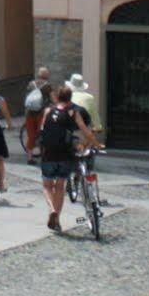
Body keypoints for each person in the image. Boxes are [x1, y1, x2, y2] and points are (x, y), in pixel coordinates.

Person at [38, 83, 102, 232]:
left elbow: (42, 131)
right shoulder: (73, 112)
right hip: (65, 154)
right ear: (70, 98)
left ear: (57, 97)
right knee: (59, 186)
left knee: (47, 186)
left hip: (49, 153)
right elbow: (85, 131)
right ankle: (57, 219)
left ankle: (52, 210)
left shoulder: (48, 111)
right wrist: (96, 144)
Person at [21, 66, 53, 159]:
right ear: (46, 75)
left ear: (38, 75)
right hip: (42, 114)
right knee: (42, 134)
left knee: (31, 135)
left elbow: (27, 97)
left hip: (30, 113)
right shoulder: (47, 86)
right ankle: (44, 155)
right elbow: (53, 99)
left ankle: (30, 157)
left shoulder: (31, 84)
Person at [68, 74, 102, 144]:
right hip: (83, 130)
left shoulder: (67, 96)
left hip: (69, 129)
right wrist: (98, 127)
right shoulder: (89, 98)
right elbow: (94, 114)